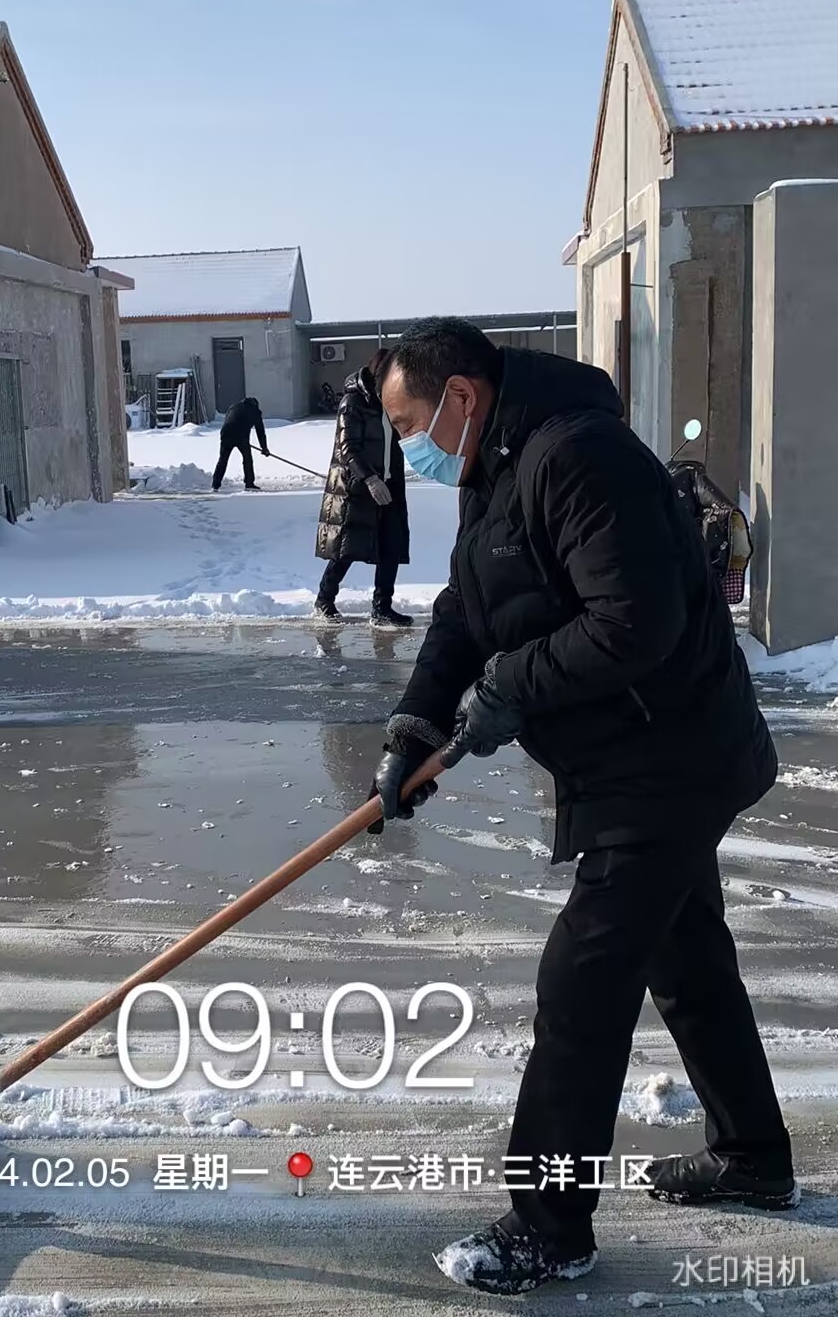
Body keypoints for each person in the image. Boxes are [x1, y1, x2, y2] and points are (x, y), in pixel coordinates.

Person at [368, 317, 794, 1296]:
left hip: (670, 755)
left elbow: (636, 622)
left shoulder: (576, 455)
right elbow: (465, 609)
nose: (408, 448)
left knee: (582, 982)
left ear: (462, 396)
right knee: (685, 956)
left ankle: (548, 1225)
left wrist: (511, 685)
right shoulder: (495, 463)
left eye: (410, 424)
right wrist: (414, 727)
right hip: (632, 759)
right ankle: (753, 1157)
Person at [314, 352, 413, 628]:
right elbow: (348, 448)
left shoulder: (391, 401)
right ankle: (324, 600)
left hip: (390, 482)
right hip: (357, 486)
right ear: (378, 376)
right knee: (348, 547)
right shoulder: (352, 402)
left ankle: (382, 608)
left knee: (391, 545)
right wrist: (369, 479)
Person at [212, 396, 269, 491]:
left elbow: (229, 420)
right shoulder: (255, 411)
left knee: (223, 459)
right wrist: (264, 448)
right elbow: (260, 431)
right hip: (241, 436)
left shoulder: (233, 406)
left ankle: (215, 484)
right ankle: (249, 483)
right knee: (247, 459)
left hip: (226, 433)